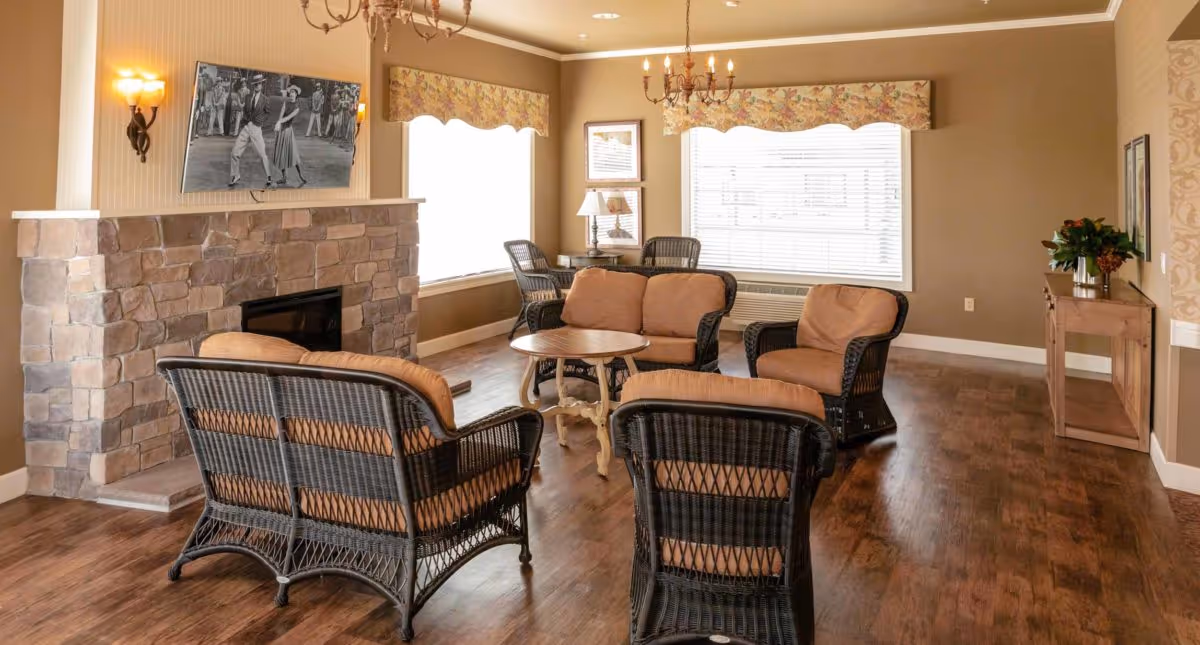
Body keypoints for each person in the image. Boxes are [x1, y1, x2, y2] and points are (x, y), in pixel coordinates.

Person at [229, 74, 276, 189]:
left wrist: (261, 121)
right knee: (235, 152)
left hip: (256, 129)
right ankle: (235, 175)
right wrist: (245, 122)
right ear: (253, 85)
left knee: (262, 155)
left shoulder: (265, 99)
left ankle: (269, 177)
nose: (257, 86)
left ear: (262, 85)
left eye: (259, 84)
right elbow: (245, 111)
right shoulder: (248, 97)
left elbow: (268, 113)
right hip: (246, 127)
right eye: (255, 84)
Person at [273, 85, 307, 188]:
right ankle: (284, 177)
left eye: (294, 93)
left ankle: (300, 175)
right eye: (291, 92)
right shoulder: (285, 103)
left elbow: (288, 118)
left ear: (296, 95)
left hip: (288, 131)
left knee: (294, 155)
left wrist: (279, 122)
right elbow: (281, 115)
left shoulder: (296, 108)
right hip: (281, 131)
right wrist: (278, 125)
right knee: (281, 155)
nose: (292, 94)